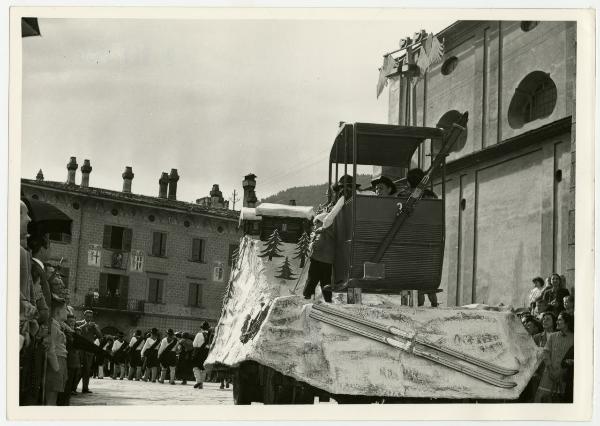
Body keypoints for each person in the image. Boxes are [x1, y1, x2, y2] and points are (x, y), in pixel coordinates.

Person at [535, 312, 574, 403]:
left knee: (558, 401)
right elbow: (546, 352)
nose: (557, 322)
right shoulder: (553, 336)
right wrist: (550, 369)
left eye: (560, 320)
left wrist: (560, 372)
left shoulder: (574, 338)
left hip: (563, 376)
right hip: (549, 374)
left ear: (567, 322)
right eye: (557, 320)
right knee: (542, 401)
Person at [302, 213, 334, 303]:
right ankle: (328, 300)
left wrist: (312, 245)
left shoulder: (321, 232)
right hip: (328, 261)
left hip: (318, 260)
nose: (314, 225)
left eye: (316, 223)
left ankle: (307, 296)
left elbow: (318, 246)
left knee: (312, 278)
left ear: (321, 222)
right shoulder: (330, 232)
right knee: (325, 281)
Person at [45, 298, 69, 405]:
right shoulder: (53, 325)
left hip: (61, 360)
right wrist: (56, 368)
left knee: (55, 394)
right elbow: (51, 348)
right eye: (65, 309)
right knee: (52, 396)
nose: (67, 312)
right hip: (57, 361)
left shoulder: (58, 325)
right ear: (57, 311)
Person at [75, 310, 103, 393]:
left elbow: (100, 336)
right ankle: (73, 387)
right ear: (84, 316)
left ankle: (85, 388)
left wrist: (96, 328)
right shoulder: (79, 323)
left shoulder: (94, 326)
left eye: (90, 317)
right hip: (80, 349)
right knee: (78, 369)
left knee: (87, 370)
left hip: (89, 351)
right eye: (87, 316)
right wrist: (85, 325)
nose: (89, 318)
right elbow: (76, 331)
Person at [192, 322, 211, 389]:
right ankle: (201, 384)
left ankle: (198, 381)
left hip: (198, 352)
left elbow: (194, 344)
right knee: (203, 368)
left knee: (195, 367)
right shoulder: (211, 335)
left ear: (201, 328)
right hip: (206, 353)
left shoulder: (199, 334)